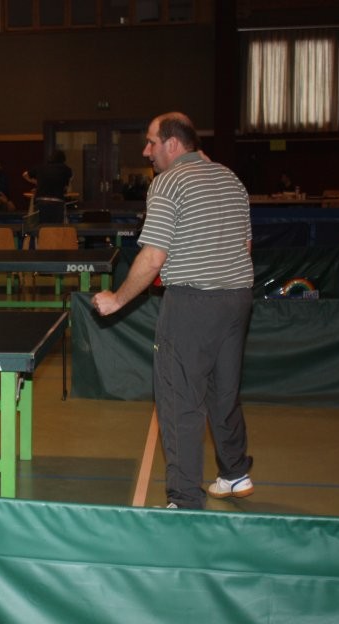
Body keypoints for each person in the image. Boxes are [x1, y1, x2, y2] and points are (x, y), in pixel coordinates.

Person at [92, 112, 255, 510]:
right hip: (237, 299)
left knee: (179, 397)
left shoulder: (168, 182)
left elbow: (153, 257)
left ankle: (183, 500)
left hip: (192, 304)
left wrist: (116, 299)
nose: (146, 152)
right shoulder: (230, 178)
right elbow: (245, 246)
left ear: (173, 144)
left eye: (151, 142)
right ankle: (235, 472)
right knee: (223, 389)